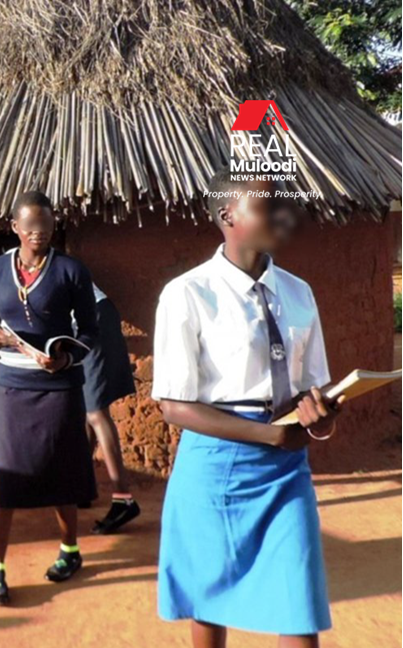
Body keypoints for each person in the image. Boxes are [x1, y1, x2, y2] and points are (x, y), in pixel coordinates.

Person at [152, 168, 342, 648]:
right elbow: (173, 405)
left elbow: (314, 387)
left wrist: (320, 416)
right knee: (209, 599)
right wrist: (267, 435)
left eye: (282, 205)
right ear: (227, 215)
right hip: (215, 463)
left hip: (286, 470)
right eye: (266, 206)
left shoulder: (299, 293)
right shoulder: (187, 294)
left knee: (299, 604)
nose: (281, 216)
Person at [0, 190, 99, 606]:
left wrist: (64, 357)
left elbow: (90, 331)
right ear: (14, 228)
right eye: (30, 231)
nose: (38, 237)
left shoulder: (71, 271)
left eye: (45, 231)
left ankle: (70, 550)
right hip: (13, 386)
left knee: (61, 472)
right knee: (7, 476)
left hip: (61, 388)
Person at [83, 282, 140, 534]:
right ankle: (81, 486)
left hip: (95, 319)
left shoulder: (41, 265)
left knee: (95, 411)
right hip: (83, 323)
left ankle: (123, 499)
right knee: (84, 407)